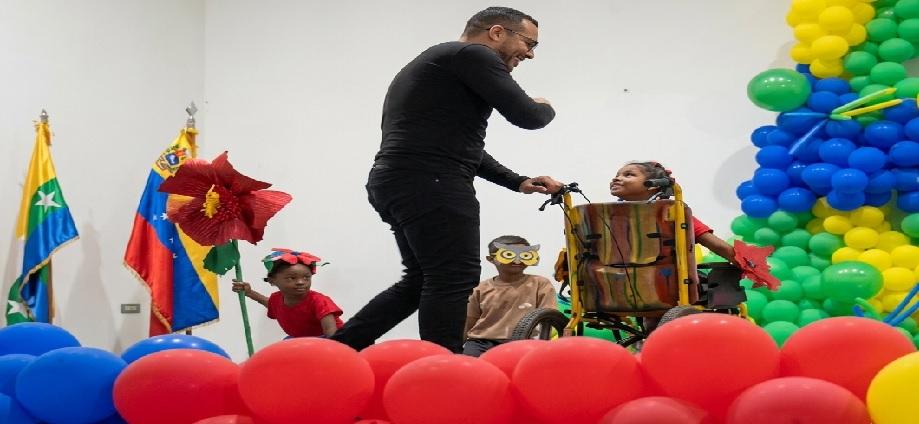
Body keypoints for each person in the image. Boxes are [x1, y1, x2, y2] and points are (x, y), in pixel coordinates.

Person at [330, 6, 563, 353]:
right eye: (529, 43)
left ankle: (339, 349)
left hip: (400, 180)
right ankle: (444, 368)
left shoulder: (439, 61)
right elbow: (527, 116)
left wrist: (518, 181)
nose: (529, 54)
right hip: (431, 181)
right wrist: (544, 104)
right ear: (497, 32)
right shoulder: (474, 55)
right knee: (453, 278)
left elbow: (461, 146)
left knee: (421, 280)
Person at [609, 161, 735, 262]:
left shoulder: (675, 213)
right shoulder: (604, 215)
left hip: (668, 285)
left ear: (654, 185)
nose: (616, 179)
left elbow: (718, 246)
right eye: (616, 175)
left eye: (628, 175)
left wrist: (749, 268)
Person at [463, 235, 557, 357]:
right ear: (491, 259)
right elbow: (470, 320)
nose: (517, 260)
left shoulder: (540, 284)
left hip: (525, 342)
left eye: (524, 255)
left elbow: (549, 317)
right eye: (508, 255)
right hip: (482, 342)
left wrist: (541, 344)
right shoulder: (480, 288)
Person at [232, 248, 343, 338]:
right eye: (291, 278)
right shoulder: (276, 299)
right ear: (272, 281)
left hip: (330, 338)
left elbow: (330, 331)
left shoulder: (318, 300)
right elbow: (270, 304)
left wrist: (333, 349)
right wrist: (249, 292)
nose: (300, 282)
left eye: (306, 278)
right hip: (300, 339)